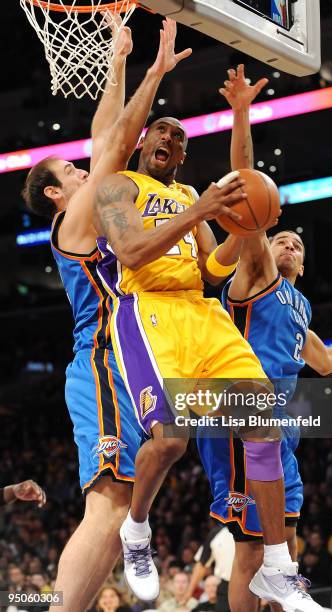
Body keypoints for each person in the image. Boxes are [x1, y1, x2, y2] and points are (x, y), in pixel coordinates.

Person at [93, 74, 320, 612]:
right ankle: (138, 530)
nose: (171, 142)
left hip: (201, 311)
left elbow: (214, 271)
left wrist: (244, 228)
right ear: (144, 140)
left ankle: (279, 570)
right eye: (163, 134)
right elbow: (130, 253)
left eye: (181, 140)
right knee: (171, 441)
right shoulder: (118, 188)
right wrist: (199, 213)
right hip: (149, 312)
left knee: (262, 423)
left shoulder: (190, 194)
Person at [196, 63, 332, 612]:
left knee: (282, 552)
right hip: (241, 409)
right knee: (249, 554)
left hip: (282, 428)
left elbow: (330, 362)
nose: (286, 244)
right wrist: (241, 112)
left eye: (295, 244)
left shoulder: (300, 304)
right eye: (280, 237)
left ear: (306, 265)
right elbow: (245, 182)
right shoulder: (256, 272)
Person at [21, 18, 191, 612]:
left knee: (121, 513)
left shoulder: (94, 208)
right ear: (54, 195)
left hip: (134, 357)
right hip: (101, 358)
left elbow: (103, 134)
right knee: (110, 505)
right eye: (70, 172)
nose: (82, 170)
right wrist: (152, 70)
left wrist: (117, 59)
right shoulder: (73, 224)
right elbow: (112, 143)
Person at [184, 524, 235, 611]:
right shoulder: (216, 533)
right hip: (224, 586)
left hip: (250, 585)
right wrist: (188, 593)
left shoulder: (256, 529)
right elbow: (201, 564)